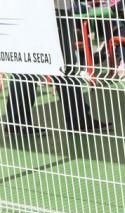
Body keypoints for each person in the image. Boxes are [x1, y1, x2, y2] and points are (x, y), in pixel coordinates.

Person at [2, 0, 110, 136]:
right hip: (47, 10)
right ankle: (17, 121)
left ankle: (78, 118)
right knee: (49, 65)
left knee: (54, 65)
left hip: (47, 10)